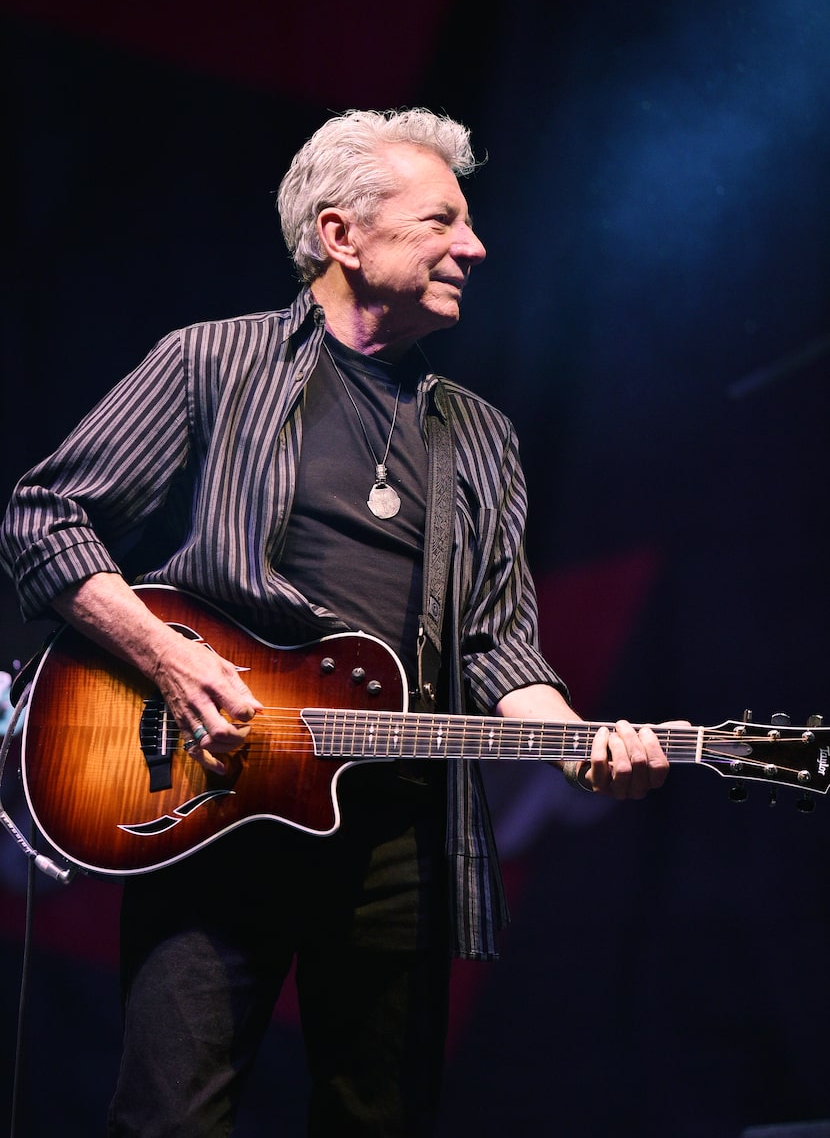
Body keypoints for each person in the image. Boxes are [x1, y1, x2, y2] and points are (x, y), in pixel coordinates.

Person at [0, 108, 669, 1137]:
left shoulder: (478, 436)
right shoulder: (213, 364)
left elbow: (497, 643)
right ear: (340, 234)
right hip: (207, 806)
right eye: (439, 220)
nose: (474, 246)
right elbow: (43, 515)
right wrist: (163, 655)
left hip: (398, 832)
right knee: (167, 1120)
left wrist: (575, 741)